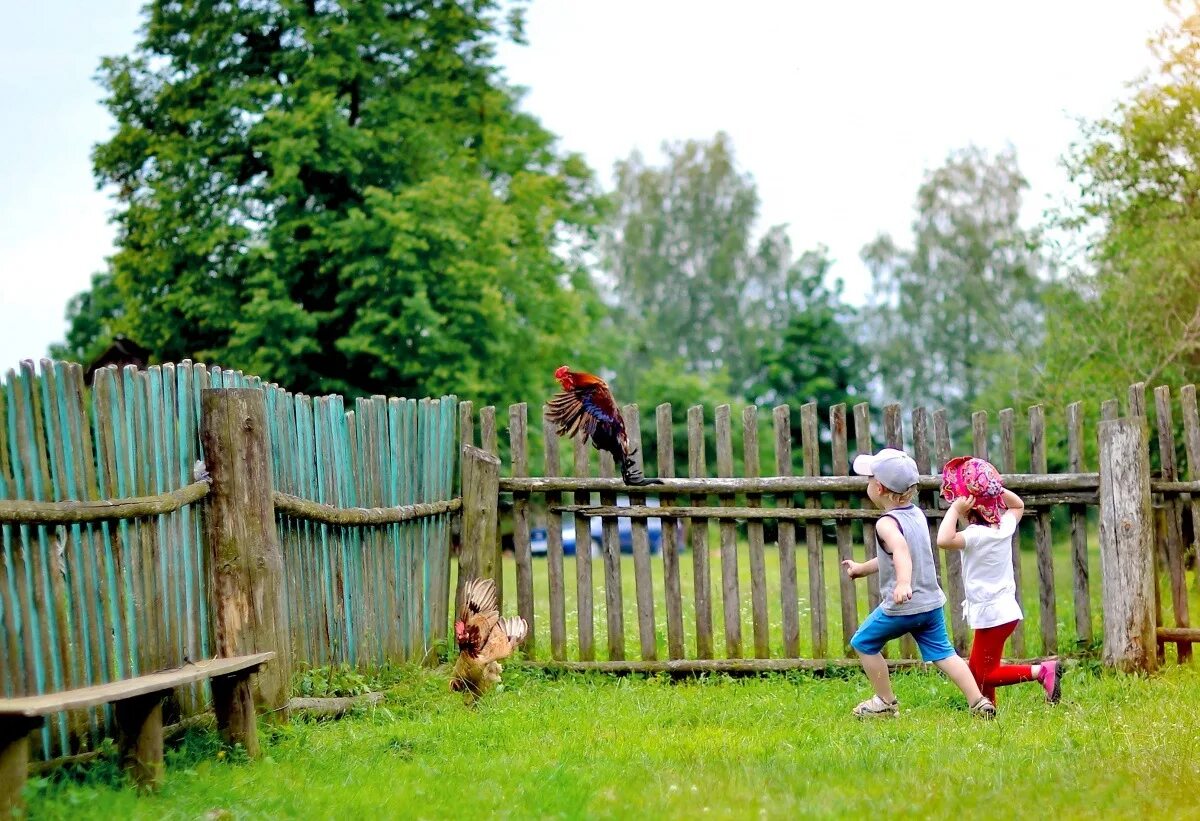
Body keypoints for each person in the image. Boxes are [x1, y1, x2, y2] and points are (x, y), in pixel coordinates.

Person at [842, 448, 997, 719]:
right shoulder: (916, 515)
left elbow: (901, 552)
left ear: (878, 488)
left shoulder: (886, 524)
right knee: (945, 654)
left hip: (903, 606)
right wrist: (861, 569)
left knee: (863, 642)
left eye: (868, 480)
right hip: (930, 604)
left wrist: (903, 584)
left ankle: (885, 702)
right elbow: (893, 556)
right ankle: (978, 701)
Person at [936, 456, 1062, 705]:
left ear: (970, 507)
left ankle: (1041, 671)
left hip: (993, 613)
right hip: (1001, 611)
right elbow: (1018, 506)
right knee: (979, 668)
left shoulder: (975, 535)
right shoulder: (1003, 527)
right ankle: (987, 710)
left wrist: (954, 510)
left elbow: (943, 539)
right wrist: (993, 489)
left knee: (984, 672)